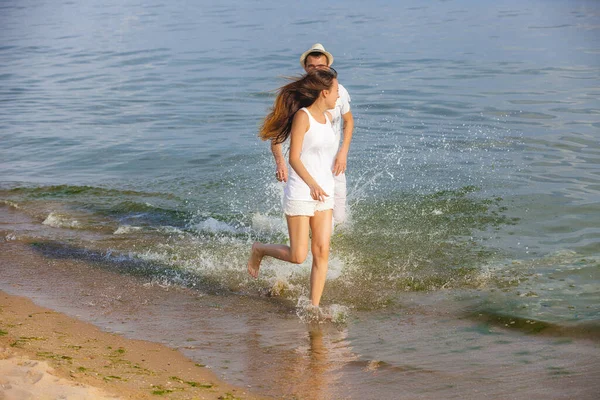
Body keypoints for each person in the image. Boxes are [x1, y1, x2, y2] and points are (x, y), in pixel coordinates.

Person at [247, 68, 340, 307]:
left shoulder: (329, 119)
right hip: (302, 191)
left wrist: (325, 184)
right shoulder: (303, 117)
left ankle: (314, 307)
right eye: (336, 92)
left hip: (324, 193)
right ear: (324, 93)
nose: (338, 96)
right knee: (299, 256)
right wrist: (312, 185)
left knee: (321, 253)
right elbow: (294, 158)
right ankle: (259, 250)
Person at [271, 43, 354, 225]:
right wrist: (280, 162)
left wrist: (343, 152)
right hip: (307, 167)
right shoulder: (298, 97)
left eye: (321, 67)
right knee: (321, 223)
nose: (316, 70)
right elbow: (276, 133)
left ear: (328, 68)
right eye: (311, 67)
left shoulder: (338, 92)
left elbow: (349, 120)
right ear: (305, 68)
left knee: (339, 219)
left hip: (334, 165)